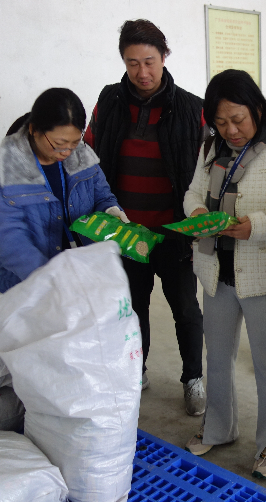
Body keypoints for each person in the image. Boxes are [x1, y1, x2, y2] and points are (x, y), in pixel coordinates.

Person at [183, 69, 266, 480]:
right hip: (216, 269)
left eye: (238, 119)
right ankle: (219, 427)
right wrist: (198, 211)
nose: (231, 130)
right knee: (217, 356)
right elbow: (193, 192)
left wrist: (254, 227)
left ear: (257, 108)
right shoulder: (211, 148)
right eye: (220, 122)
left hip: (263, 273)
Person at [84, 19, 206, 414]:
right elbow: (87, 155)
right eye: (132, 63)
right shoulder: (109, 101)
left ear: (164, 56)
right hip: (126, 232)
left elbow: (208, 168)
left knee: (185, 308)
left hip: (174, 233)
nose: (142, 72)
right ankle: (137, 372)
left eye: (149, 61)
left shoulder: (192, 108)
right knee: (133, 309)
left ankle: (193, 379)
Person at [0, 88, 124, 293]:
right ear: (34, 130)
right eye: (59, 144)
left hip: (82, 273)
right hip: (29, 282)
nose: (67, 151)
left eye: (74, 142)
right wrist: (49, 278)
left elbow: (102, 195)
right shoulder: (3, 170)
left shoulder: (82, 155)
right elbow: (9, 238)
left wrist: (111, 210)